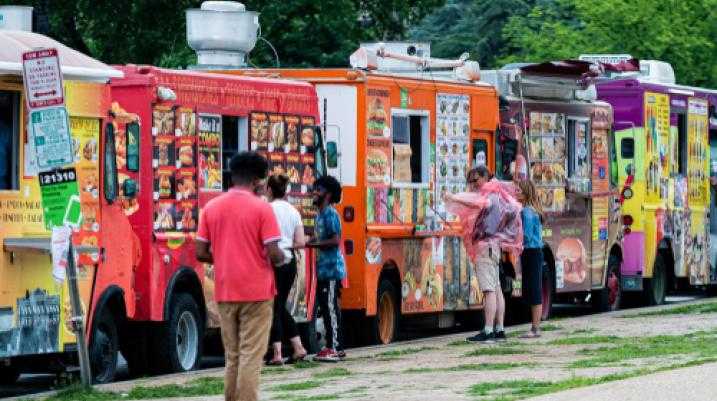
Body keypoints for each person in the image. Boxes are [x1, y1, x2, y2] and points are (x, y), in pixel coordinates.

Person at [196, 151, 285, 401]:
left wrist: (225, 256)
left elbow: (200, 251)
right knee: (250, 356)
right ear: (258, 180)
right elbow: (273, 252)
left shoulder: (211, 208)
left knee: (232, 356)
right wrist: (283, 257)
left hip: (225, 291)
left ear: (232, 175)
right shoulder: (262, 209)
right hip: (257, 293)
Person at [445, 165, 523, 344]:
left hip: (485, 247)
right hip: (493, 246)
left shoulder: (490, 194)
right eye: (470, 181)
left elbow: (478, 203)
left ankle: (488, 330)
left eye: (475, 180)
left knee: (488, 290)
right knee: (496, 289)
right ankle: (499, 329)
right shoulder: (499, 193)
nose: (473, 185)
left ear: (485, 178)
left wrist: (454, 198)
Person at [266, 174, 308, 365]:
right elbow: (300, 242)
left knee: (274, 306)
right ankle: (298, 347)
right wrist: (286, 242)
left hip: (271, 263)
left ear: (269, 190)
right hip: (289, 263)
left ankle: (277, 354)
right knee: (279, 305)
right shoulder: (293, 211)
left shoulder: (266, 209)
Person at [307, 175, 346, 362]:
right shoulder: (320, 214)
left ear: (328, 194)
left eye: (319, 189)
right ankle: (334, 346)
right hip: (323, 269)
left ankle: (334, 347)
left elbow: (335, 240)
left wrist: (314, 245)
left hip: (331, 269)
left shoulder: (331, 213)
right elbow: (321, 237)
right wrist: (310, 241)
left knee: (329, 307)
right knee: (326, 305)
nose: (314, 192)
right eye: (314, 188)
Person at [516, 180, 545, 338]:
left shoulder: (526, 211)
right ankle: (535, 327)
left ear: (526, 193)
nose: (516, 193)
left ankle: (535, 328)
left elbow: (525, 235)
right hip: (536, 252)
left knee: (533, 289)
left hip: (530, 252)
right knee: (535, 288)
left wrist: (515, 241)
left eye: (519, 191)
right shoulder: (534, 210)